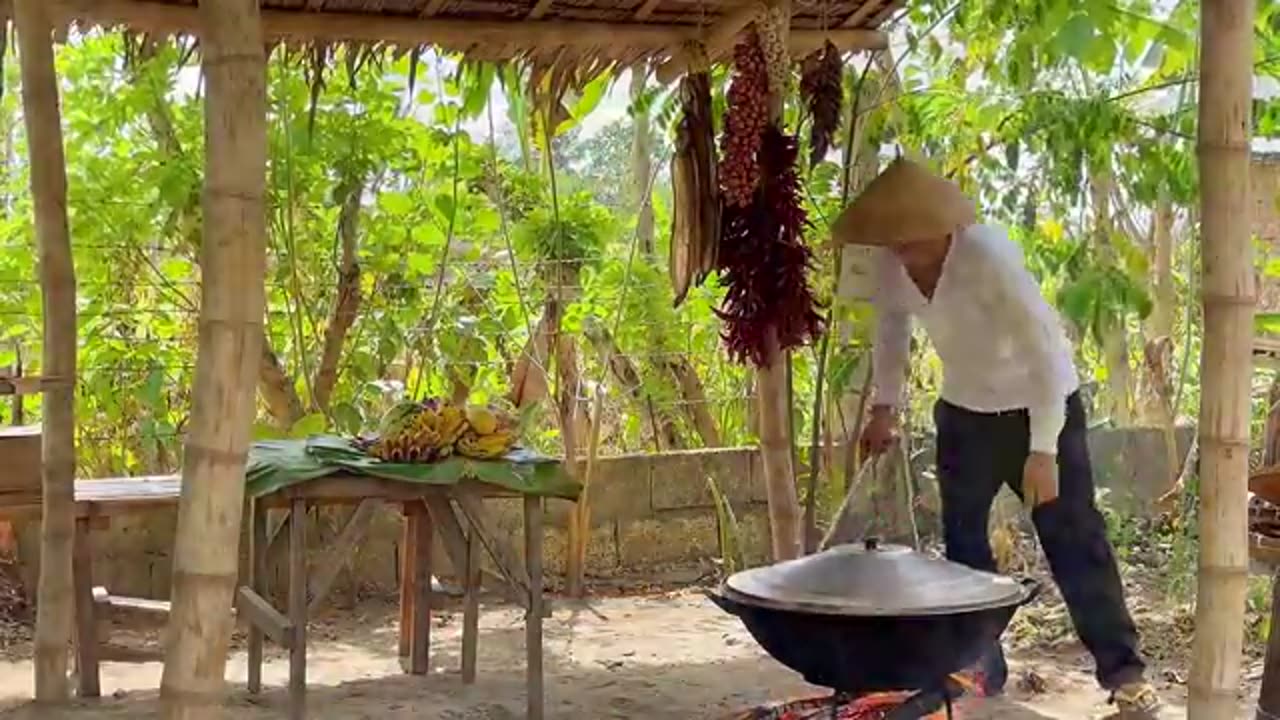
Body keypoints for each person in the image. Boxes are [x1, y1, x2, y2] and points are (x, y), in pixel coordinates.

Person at [833, 157, 1159, 717]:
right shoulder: (891, 263)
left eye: (914, 241)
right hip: (964, 414)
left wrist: (1044, 450)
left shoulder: (989, 256)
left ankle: (1124, 672)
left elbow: (1048, 355)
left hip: (1039, 407)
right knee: (963, 547)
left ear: (945, 227)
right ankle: (977, 664)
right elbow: (891, 331)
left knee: (1074, 540)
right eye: (896, 243)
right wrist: (884, 406)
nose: (905, 254)